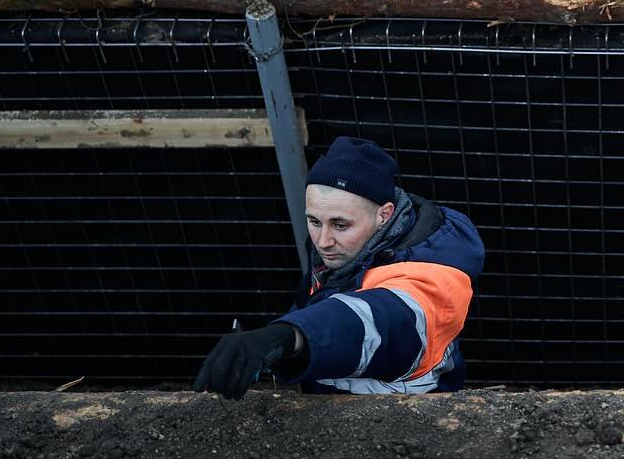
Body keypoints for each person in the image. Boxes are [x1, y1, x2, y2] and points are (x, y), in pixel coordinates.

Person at [193, 137, 484, 399]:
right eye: (314, 221)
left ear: (385, 215)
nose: (323, 241)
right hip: (338, 421)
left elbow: (377, 322)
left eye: (340, 225)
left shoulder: (431, 273)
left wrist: (289, 335)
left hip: (407, 430)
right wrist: (279, 350)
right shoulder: (349, 248)